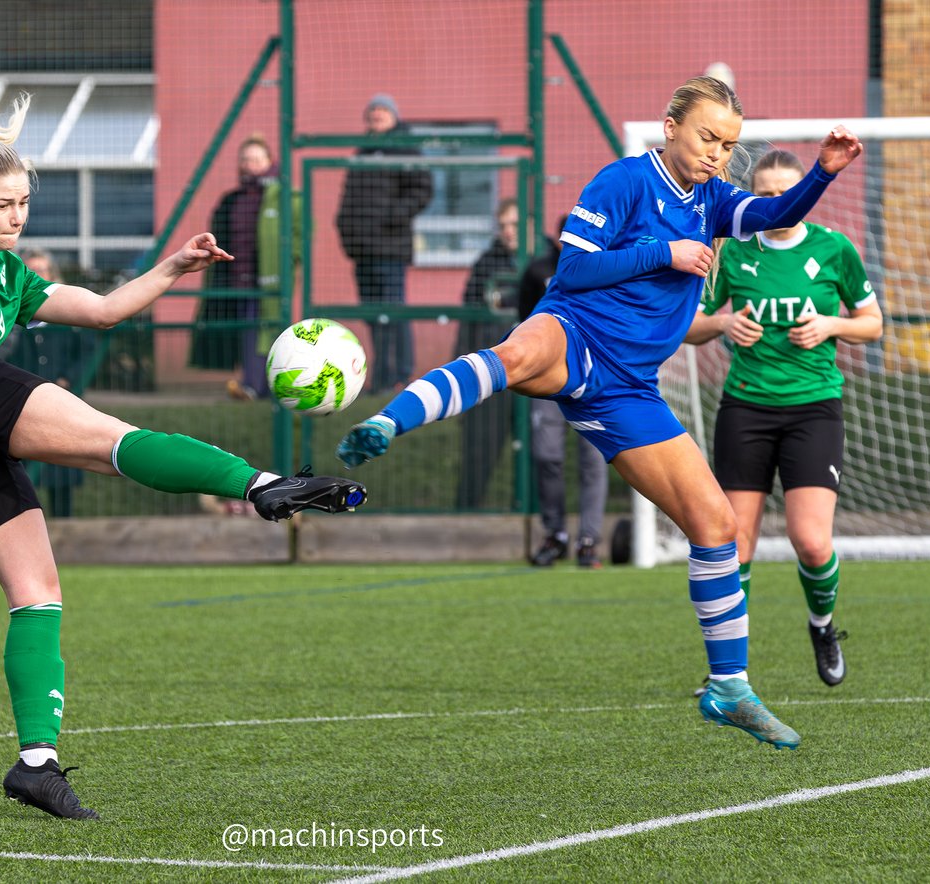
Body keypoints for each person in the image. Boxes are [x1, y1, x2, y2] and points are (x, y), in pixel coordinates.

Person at [0, 94, 367, 820]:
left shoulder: (12, 278)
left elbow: (105, 310)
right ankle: (263, 484)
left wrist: (176, 264)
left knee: (38, 592)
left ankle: (36, 764)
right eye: (1, 204)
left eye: (23, 203)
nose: (17, 216)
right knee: (109, 439)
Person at [337, 76, 864, 750]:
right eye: (707, 138)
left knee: (717, 526)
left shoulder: (714, 198)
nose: (717, 155)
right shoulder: (621, 182)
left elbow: (770, 214)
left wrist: (822, 172)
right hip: (576, 334)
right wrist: (663, 253)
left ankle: (728, 688)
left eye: (728, 146)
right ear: (670, 125)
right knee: (517, 354)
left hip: (629, 390)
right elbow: (574, 272)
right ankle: (390, 421)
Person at [684, 148, 882, 691]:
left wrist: (829, 325)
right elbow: (690, 324)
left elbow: (872, 323)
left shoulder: (833, 248)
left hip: (814, 408)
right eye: (765, 193)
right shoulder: (736, 250)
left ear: (804, 192)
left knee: (812, 542)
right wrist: (723, 322)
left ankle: (822, 626)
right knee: (734, 543)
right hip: (745, 408)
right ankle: (729, 669)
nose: (776, 202)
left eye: (785, 192)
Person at [516, 223, 608, 568]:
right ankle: (555, 535)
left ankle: (589, 541)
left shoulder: (606, 267)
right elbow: (524, 322)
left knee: (594, 459)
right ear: (559, 240)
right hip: (546, 375)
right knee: (546, 454)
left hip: (594, 373)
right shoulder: (538, 270)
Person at [189, 134, 299, 401]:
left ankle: (261, 387)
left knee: (265, 331)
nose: (250, 165)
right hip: (237, 278)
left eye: (256, 159)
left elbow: (299, 235)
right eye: (245, 159)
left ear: (269, 161)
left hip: (268, 279)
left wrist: (288, 263)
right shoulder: (232, 199)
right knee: (245, 331)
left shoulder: (284, 198)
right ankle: (253, 385)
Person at [336, 93, 434, 393]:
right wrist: (346, 231)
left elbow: (423, 189)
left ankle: (399, 375)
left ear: (393, 115)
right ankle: (381, 376)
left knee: (393, 312)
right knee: (373, 317)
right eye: (373, 110)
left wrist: (391, 216)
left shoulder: (406, 148)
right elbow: (349, 199)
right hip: (363, 251)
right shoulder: (362, 151)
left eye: (382, 110)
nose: (377, 115)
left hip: (390, 249)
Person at [11, 248, 96, 518]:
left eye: (42, 271)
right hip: (22, 405)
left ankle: (64, 528)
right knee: (22, 477)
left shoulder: (67, 318)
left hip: (61, 404)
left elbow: (86, 352)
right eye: (30, 271)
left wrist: (68, 378)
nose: (37, 276)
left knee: (61, 473)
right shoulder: (10, 318)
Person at [455, 198, 519, 510]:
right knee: (479, 453)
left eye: (515, 225)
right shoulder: (486, 264)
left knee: (542, 457)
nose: (509, 232)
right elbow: (467, 322)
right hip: (493, 374)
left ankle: (542, 523)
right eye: (504, 225)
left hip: (536, 377)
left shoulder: (550, 258)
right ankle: (465, 516)